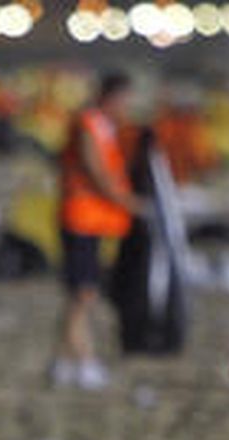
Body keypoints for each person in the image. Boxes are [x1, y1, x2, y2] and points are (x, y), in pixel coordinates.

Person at [51, 71, 149, 391]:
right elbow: (96, 172)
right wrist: (130, 203)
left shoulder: (104, 126)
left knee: (81, 296)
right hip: (80, 219)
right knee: (83, 294)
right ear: (111, 97)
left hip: (93, 221)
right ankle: (85, 363)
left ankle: (63, 363)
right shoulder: (88, 123)